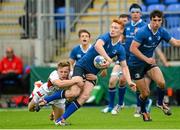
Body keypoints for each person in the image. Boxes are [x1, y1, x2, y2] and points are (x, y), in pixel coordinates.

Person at [39, 19, 136, 125]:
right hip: (81, 66)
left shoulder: (120, 48)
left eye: (115, 28)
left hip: (92, 74)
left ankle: (61, 119)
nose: (112, 29)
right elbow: (97, 46)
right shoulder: (106, 37)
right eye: (112, 27)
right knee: (74, 93)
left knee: (84, 96)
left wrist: (130, 81)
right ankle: (46, 99)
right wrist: (108, 59)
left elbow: (124, 67)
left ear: (121, 31)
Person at [129, 10, 180, 121]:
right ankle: (143, 111)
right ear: (150, 20)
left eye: (159, 20)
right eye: (154, 20)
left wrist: (148, 60)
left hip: (149, 63)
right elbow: (132, 48)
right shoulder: (143, 32)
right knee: (145, 93)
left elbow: (175, 43)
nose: (156, 23)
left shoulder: (162, 31)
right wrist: (146, 58)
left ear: (162, 21)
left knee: (161, 83)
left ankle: (160, 103)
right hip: (135, 64)